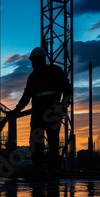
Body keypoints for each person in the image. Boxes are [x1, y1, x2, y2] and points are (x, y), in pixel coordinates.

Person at [11, 46, 72, 178]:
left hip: (51, 112)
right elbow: (26, 96)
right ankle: (39, 169)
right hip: (40, 113)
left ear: (41, 60)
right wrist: (16, 110)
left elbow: (67, 90)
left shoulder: (54, 72)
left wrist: (63, 107)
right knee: (37, 141)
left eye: (34, 61)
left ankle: (52, 169)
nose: (33, 64)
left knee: (52, 140)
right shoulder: (34, 76)